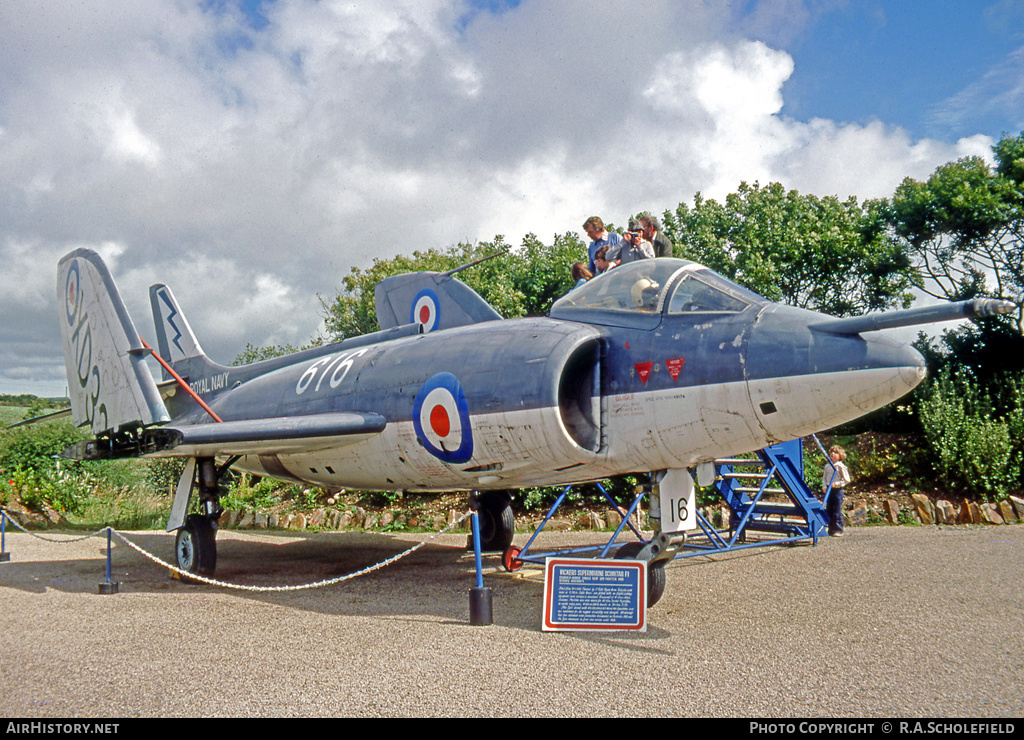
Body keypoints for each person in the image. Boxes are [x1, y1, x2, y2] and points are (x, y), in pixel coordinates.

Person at [822, 445, 851, 537]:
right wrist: (824, 486)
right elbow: (824, 478)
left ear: (840, 456)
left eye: (836, 453)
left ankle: (838, 529)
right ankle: (831, 529)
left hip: (837, 491)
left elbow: (847, 479)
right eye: (832, 452)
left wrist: (837, 484)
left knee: (836, 510)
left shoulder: (840, 466)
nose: (833, 454)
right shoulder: (827, 466)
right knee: (829, 509)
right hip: (829, 490)